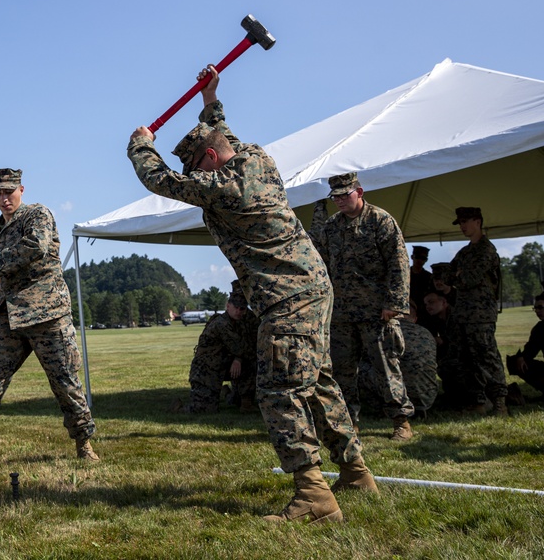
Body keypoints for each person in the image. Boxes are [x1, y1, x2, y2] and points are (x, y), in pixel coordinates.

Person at [127, 64, 374, 525]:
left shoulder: (223, 185)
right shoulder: (256, 158)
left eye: (195, 163)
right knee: (316, 381)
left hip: (287, 298)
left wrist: (141, 146)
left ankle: (313, 496)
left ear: (210, 160)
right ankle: (356, 471)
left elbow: (161, 181)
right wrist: (210, 100)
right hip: (312, 286)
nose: (193, 173)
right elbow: (225, 135)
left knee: (279, 390)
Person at [0, 168, 97, 477]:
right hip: (10, 318)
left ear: (21, 189)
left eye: (9, 192)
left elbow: (36, 246)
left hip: (47, 314)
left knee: (66, 383)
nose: (5, 199)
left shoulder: (38, 215)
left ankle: (84, 442)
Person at [310, 172, 414, 441]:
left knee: (386, 367)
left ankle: (400, 421)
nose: (340, 201)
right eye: (336, 197)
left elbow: (398, 262)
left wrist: (394, 302)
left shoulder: (380, 220)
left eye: (345, 195)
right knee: (343, 372)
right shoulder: (331, 227)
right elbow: (320, 262)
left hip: (376, 312)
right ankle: (349, 423)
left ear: (360, 192)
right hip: (342, 313)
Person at [440, 206, 507, 416]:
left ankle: (499, 402)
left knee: (487, 357)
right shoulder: (465, 251)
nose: (462, 226)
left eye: (465, 222)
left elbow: (469, 279)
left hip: (481, 315)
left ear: (477, 221)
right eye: (460, 223)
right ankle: (478, 401)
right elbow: (447, 274)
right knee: (466, 359)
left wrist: (459, 275)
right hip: (463, 313)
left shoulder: (486, 250)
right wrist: (458, 275)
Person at [177, 280, 259, 414]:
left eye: (242, 308)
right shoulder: (222, 324)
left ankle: (243, 402)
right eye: (236, 307)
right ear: (228, 306)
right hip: (206, 371)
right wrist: (239, 357)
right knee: (205, 410)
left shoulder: (239, 321)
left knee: (250, 363)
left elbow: (244, 347)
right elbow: (242, 348)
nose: (239, 311)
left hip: (222, 365)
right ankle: (178, 409)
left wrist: (238, 359)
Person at [358, 303, 437, 417]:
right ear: (414, 319)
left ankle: (380, 407)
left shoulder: (386, 332)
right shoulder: (426, 333)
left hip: (398, 396)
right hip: (425, 396)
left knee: (358, 366)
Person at [506, 292, 544, 404]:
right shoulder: (539, 329)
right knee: (515, 362)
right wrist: (521, 357)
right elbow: (530, 350)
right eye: (535, 308)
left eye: (541, 307)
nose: (537, 311)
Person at [423, 289, 461, 409]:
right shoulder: (437, 319)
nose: (428, 306)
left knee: (447, 366)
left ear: (444, 302)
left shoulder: (456, 317)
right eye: (426, 304)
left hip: (463, 357)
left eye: (431, 302)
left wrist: (442, 340)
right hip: (452, 354)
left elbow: (458, 343)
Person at [410, 246, 435, 330]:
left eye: (423, 258)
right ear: (412, 257)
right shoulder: (404, 274)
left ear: (426, 260)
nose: (419, 260)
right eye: (417, 257)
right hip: (407, 313)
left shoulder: (429, 277)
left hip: (425, 316)